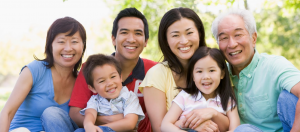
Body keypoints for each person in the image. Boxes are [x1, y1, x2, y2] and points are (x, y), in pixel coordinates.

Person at [139, 7, 230, 132]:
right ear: (166, 40)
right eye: (175, 35)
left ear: (199, 33)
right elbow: (160, 128)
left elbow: (231, 122)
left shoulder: (215, 67)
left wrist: (212, 113)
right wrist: (193, 125)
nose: (184, 41)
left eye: (189, 33)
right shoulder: (157, 74)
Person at [69, 7, 156, 132]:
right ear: (114, 39)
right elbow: (75, 114)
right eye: (124, 32)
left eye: (138, 33)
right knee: (54, 116)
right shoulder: (91, 68)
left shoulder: (155, 70)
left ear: (146, 41)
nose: (131, 39)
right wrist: (109, 121)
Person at [211, 9, 300, 132]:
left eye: (238, 35)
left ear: (253, 38)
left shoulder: (274, 65)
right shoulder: (217, 75)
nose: (231, 44)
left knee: (289, 97)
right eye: (224, 38)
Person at [0, 17, 86, 132]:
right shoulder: (35, 70)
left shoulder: (82, 81)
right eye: (61, 41)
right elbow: (7, 113)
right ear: (50, 45)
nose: (68, 48)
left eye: (74, 42)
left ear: (83, 46)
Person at [161, 47, 240, 132]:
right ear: (193, 76)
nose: (206, 76)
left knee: (246, 128)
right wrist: (193, 125)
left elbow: (235, 129)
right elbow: (165, 125)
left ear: (222, 73)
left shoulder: (227, 100)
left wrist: (213, 113)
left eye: (212, 70)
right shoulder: (184, 97)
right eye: (199, 71)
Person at [74, 54, 145, 132]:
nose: (109, 83)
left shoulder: (129, 97)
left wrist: (100, 129)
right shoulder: (95, 100)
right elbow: (90, 114)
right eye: (102, 81)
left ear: (120, 77)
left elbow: (130, 123)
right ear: (93, 88)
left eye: (113, 77)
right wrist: (89, 125)